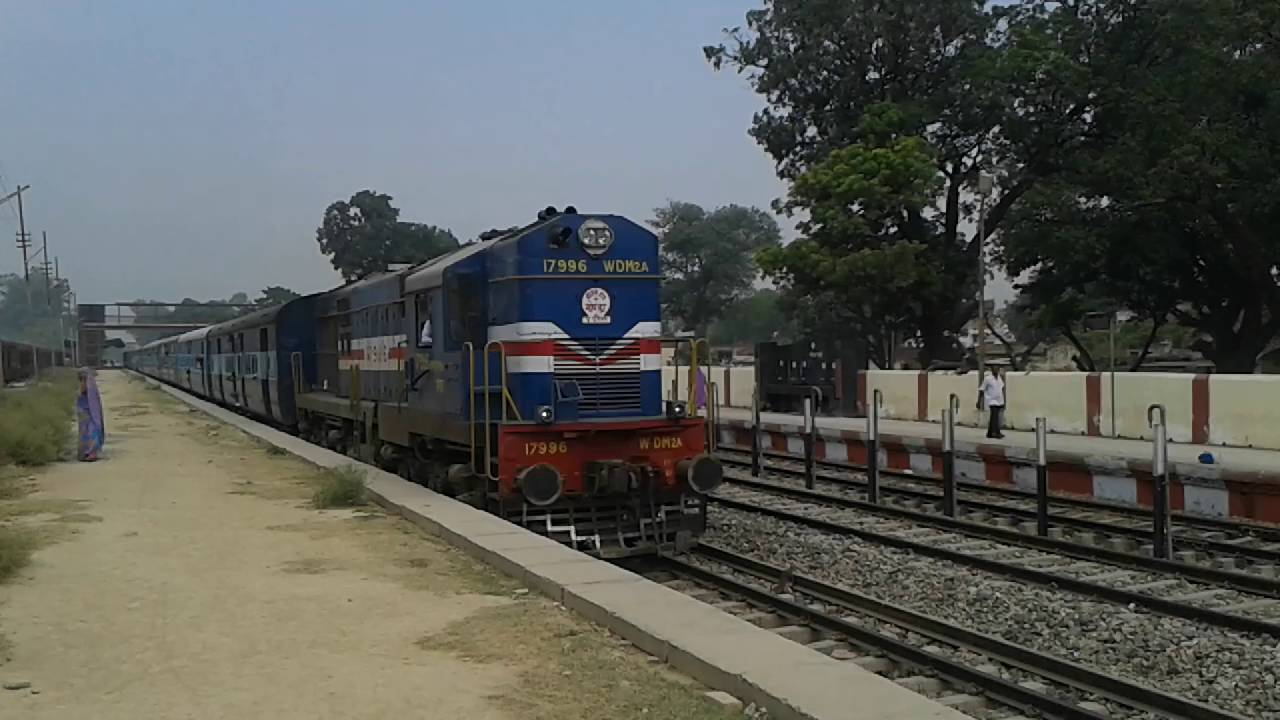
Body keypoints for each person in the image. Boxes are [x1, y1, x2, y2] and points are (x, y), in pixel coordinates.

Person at [77, 368, 105, 461]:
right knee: (85, 434)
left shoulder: (90, 388)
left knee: (92, 433)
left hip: (91, 415)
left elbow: (93, 403)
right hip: (84, 416)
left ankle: (92, 453)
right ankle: (86, 452)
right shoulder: (84, 386)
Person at [978, 366, 1005, 439]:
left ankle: (989, 433)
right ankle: (996, 432)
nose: (995, 371)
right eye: (994, 369)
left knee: (994, 417)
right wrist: (979, 401)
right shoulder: (988, 379)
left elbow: (1002, 389)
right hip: (992, 400)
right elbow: (982, 389)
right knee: (995, 416)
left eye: (997, 369)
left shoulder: (999, 378)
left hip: (999, 400)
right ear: (992, 370)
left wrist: (1003, 401)